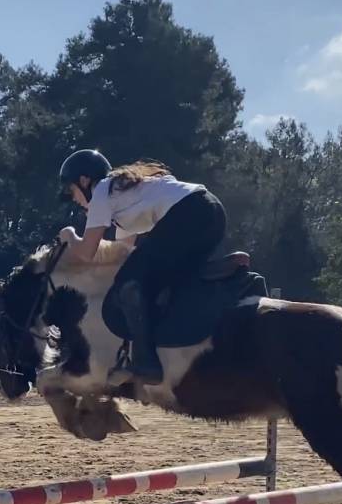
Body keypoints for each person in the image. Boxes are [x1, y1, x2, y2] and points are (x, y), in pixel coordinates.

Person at [57, 148, 227, 386]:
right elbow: (123, 251)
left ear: (84, 180)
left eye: (71, 191)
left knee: (129, 284)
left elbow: (87, 252)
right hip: (211, 211)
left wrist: (69, 236)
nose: (74, 199)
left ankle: (146, 363)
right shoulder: (125, 197)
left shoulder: (102, 193)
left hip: (189, 213)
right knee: (146, 277)